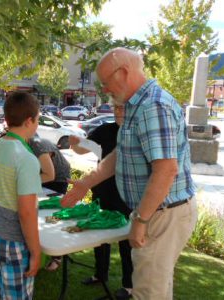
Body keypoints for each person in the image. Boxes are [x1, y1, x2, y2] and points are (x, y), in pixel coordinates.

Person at [61, 47, 197, 300]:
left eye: (105, 83)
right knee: (154, 287)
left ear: (123, 73)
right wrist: (85, 183)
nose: (105, 90)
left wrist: (141, 220)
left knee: (148, 292)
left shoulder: (152, 106)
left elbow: (166, 170)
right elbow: (120, 153)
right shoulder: (137, 104)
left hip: (162, 214)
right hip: (158, 211)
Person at [69, 105, 133, 299]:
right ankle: (100, 274)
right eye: (115, 108)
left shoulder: (135, 131)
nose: (118, 111)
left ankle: (129, 285)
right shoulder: (105, 129)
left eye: (122, 108)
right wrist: (75, 143)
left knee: (126, 240)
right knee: (99, 234)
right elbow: (83, 149)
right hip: (102, 190)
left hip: (126, 195)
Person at [0, 92, 42, 299]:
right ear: (29, 121)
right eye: (38, 119)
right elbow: (27, 212)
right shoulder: (26, 158)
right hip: (14, 241)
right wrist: (36, 252)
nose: (38, 124)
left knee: (0, 292)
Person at [28, 136, 71, 272]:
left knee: (54, 218)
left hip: (58, 179)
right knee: (41, 215)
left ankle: (57, 256)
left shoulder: (38, 144)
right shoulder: (23, 143)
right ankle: (40, 249)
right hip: (46, 177)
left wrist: (24, 180)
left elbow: (50, 175)